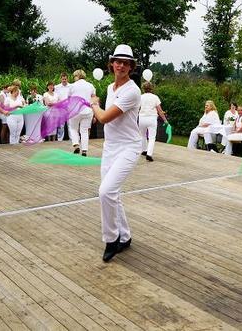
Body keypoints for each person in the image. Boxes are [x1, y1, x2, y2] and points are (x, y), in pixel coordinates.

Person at [90, 44, 141, 262]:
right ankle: (125, 236)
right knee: (112, 194)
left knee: (106, 191)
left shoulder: (132, 90)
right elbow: (104, 117)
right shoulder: (111, 88)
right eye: (117, 61)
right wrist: (97, 109)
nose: (120, 65)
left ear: (131, 67)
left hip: (129, 147)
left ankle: (111, 239)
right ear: (111, 64)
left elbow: (103, 118)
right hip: (110, 146)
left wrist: (94, 105)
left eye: (125, 63)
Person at [68, 69, 95, 156]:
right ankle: (84, 150)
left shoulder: (72, 86)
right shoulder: (91, 86)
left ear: (77, 76)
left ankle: (76, 145)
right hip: (87, 111)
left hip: (75, 110)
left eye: (74, 76)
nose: (74, 78)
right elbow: (94, 99)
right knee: (84, 131)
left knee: (73, 128)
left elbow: (69, 99)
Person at [138, 81, 168, 161]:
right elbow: (160, 111)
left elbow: (137, 108)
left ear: (143, 88)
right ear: (151, 88)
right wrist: (165, 120)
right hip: (151, 118)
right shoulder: (155, 97)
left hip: (142, 118)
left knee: (142, 135)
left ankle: (144, 150)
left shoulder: (140, 97)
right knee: (152, 137)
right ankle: (149, 154)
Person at [55, 72, 71, 141]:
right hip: (61, 108)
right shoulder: (56, 87)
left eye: (65, 79)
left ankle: (72, 139)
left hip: (69, 108)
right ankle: (59, 140)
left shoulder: (71, 86)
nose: (64, 80)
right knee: (61, 125)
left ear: (67, 79)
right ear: (61, 79)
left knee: (70, 125)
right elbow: (55, 97)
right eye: (63, 79)